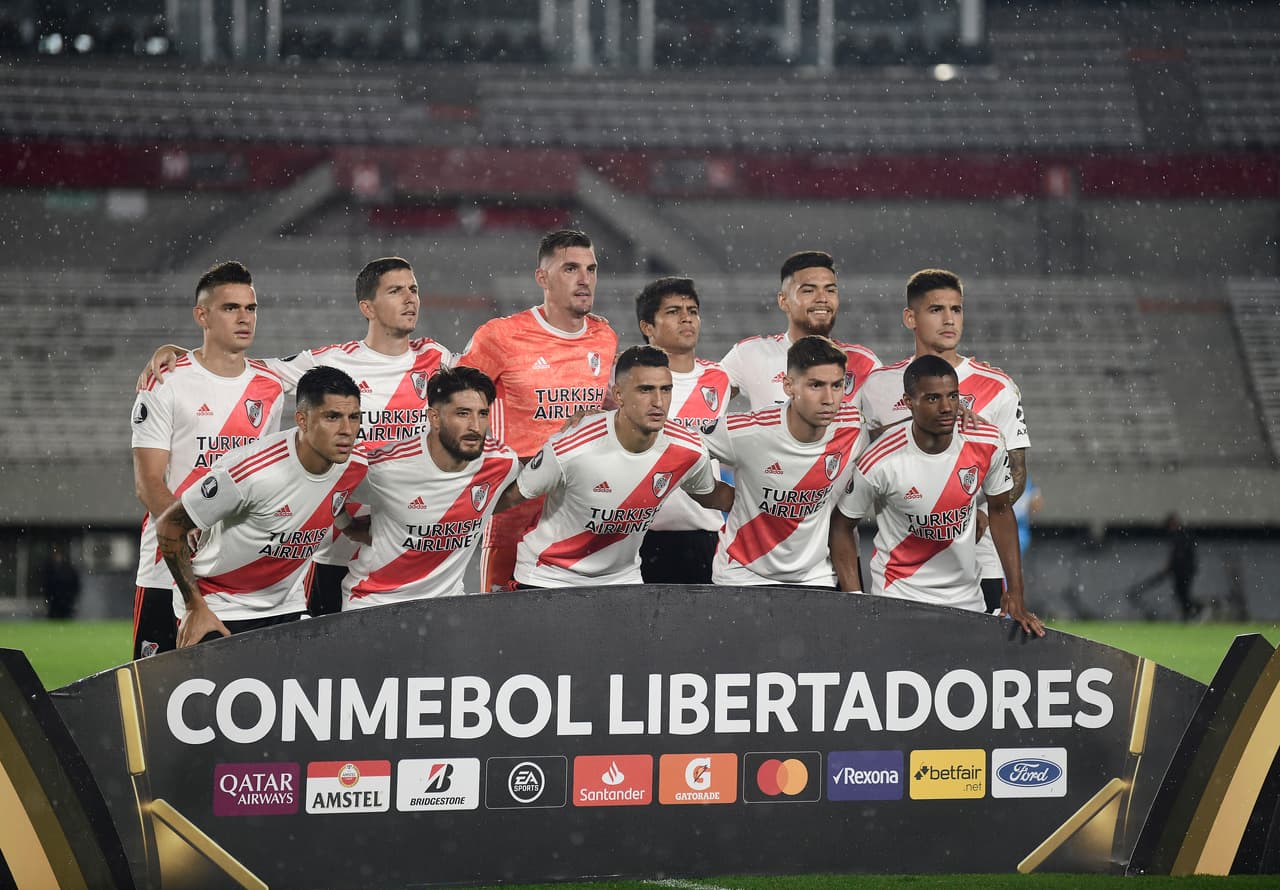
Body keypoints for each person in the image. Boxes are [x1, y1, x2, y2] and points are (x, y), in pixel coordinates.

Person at [140, 257, 453, 617]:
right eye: (396, 291)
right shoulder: (332, 363)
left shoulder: (437, 358)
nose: (410, 299)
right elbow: (243, 369)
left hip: (403, 541)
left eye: (413, 289)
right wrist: (183, 357)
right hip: (335, 544)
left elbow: (482, 384)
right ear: (367, 307)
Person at [130, 261, 286, 658]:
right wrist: (184, 529)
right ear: (202, 315)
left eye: (250, 308)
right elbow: (148, 482)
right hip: (165, 570)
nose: (244, 318)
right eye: (230, 308)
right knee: (154, 695)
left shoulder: (270, 389)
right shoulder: (165, 382)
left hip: (232, 577)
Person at [855, 268, 1030, 612]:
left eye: (957, 309)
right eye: (937, 310)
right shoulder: (878, 386)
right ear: (910, 317)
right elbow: (868, 467)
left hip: (979, 560)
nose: (949, 319)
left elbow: (1018, 471)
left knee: (977, 660)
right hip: (903, 564)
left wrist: (977, 510)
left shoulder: (997, 386)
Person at [831, 355, 1044, 637]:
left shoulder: (986, 442)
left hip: (968, 602)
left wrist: (1016, 592)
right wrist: (855, 601)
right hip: (899, 601)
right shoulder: (880, 460)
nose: (946, 408)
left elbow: (1001, 510)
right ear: (908, 403)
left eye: (952, 396)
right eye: (932, 399)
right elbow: (841, 526)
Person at [154, 367, 369, 647]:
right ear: (302, 420)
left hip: (286, 607)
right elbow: (170, 524)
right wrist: (194, 606)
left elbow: (325, 496)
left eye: (354, 418)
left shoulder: (355, 464)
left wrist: (348, 526)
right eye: (332, 417)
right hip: (219, 605)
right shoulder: (251, 472)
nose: (347, 430)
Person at [459, 230, 619, 591]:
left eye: (591, 269)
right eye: (571, 269)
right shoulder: (500, 336)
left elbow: (606, 406)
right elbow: (455, 403)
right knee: (502, 627)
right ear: (542, 277)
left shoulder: (604, 337)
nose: (585, 279)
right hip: (517, 504)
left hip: (583, 505)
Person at [494, 345, 731, 588]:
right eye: (645, 390)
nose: (658, 401)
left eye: (666, 389)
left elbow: (714, 497)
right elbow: (509, 498)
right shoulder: (571, 446)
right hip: (550, 576)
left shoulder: (687, 449)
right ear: (618, 395)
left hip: (622, 580)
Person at [338, 367, 520, 607]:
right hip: (374, 601)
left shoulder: (502, 462)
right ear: (434, 417)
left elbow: (519, 492)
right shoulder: (385, 468)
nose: (475, 426)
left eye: (483, 414)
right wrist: (348, 526)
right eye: (463, 414)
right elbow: (328, 487)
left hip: (447, 606)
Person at [704, 335, 865, 589]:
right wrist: (709, 492)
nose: (829, 398)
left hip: (815, 576)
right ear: (788, 386)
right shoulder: (747, 432)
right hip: (742, 574)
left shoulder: (853, 428)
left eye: (837, 385)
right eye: (816, 385)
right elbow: (683, 449)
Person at [633, 276, 731, 584]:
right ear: (647, 326)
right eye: (674, 311)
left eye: (693, 310)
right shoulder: (626, 379)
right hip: (639, 533)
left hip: (704, 532)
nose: (687, 317)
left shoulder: (720, 378)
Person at [719, 251, 880, 410]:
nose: (822, 298)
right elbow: (702, 400)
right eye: (809, 291)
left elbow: (890, 428)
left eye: (830, 290)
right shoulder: (751, 354)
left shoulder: (864, 363)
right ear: (783, 301)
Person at [1127, 512, 1203, 621]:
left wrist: (1170, 567)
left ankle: (1192, 612)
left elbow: (1179, 555)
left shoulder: (1181, 536)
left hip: (1183, 571)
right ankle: (1189, 613)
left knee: (1182, 594)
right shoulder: (1181, 535)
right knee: (1181, 594)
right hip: (1182, 570)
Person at [41, 544, 81, 620]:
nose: (57, 557)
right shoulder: (49, 569)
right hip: (54, 601)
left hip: (66, 601)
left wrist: (71, 597)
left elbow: (75, 584)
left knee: (65, 618)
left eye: (58, 555)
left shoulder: (68, 569)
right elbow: (46, 585)